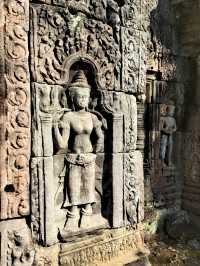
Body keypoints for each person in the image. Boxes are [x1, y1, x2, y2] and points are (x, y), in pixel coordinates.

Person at [54, 70, 104, 232]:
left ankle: (87, 214)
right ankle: (73, 214)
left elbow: (99, 137)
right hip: (73, 158)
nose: (83, 99)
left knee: (89, 188)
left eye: (85, 96)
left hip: (89, 158)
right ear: (73, 98)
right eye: (79, 96)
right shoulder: (68, 117)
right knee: (73, 187)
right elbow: (62, 144)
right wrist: (55, 127)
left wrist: (97, 148)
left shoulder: (93, 117)